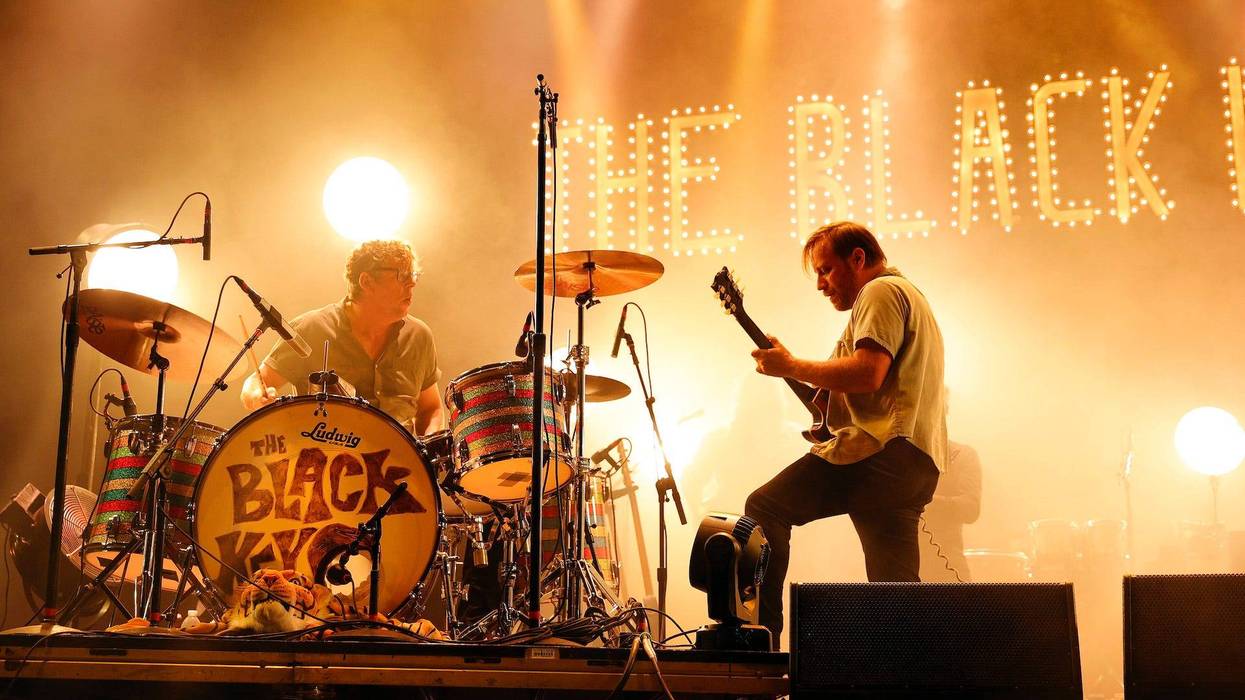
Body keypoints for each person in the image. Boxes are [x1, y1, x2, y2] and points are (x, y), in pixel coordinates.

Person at [746, 221, 947, 645]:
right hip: (912, 462)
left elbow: (868, 372)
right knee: (894, 595)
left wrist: (791, 365)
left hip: (878, 452)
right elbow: (857, 385)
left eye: (826, 270)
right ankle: (908, 676)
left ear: (858, 258)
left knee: (766, 507)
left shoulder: (879, 292)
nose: (820, 285)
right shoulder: (911, 296)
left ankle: (761, 643)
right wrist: (819, 397)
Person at [240, 239, 444, 435]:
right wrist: (258, 397)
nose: (412, 283)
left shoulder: (419, 336)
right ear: (367, 281)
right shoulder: (313, 329)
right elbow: (256, 383)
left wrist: (429, 449)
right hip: (326, 462)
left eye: (414, 274)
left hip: (401, 467)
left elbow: (430, 408)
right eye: (402, 275)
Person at [918, 439, 982, 582]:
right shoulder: (898, 456)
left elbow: (970, 508)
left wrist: (923, 499)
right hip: (902, 568)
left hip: (947, 566)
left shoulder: (962, 455)